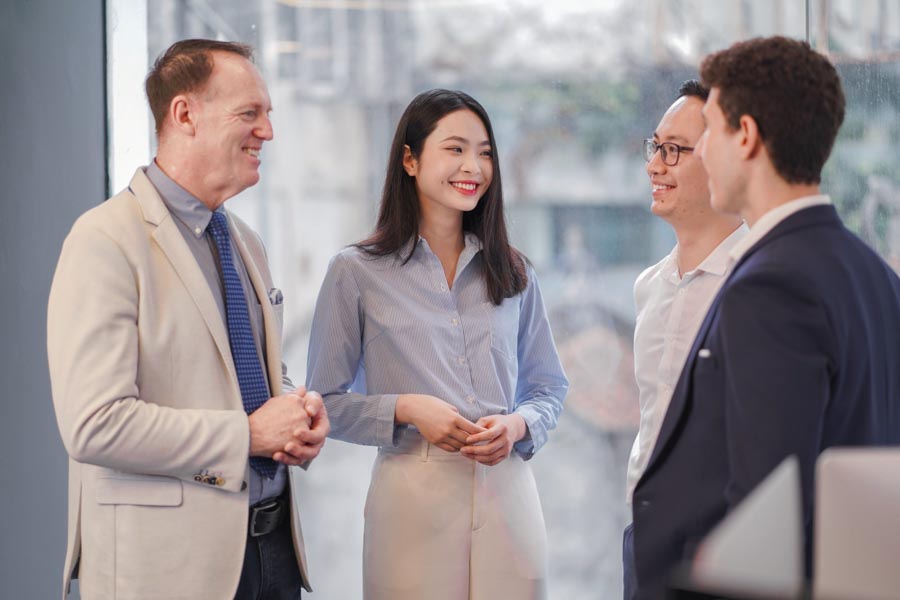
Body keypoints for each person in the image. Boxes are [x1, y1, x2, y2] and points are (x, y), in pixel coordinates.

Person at [47, 39, 328, 600]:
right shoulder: (103, 240)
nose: (267, 131)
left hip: (271, 554)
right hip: (169, 568)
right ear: (184, 114)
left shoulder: (243, 240)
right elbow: (94, 423)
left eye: (268, 114)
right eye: (250, 113)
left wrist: (294, 411)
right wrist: (249, 433)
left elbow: (250, 370)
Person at [630, 36, 900, 599]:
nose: (701, 155)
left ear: (745, 136)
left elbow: (764, 507)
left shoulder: (770, 286)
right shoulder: (875, 274)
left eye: (712, 134)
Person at [306, 89, 568, 600]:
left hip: (509, 492)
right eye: (455, 148)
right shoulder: (356, 272)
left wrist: (518, 424)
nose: (474, 165)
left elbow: (549, 387)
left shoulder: (514, 272)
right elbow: (324, 405)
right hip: (411, 494)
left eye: (485, 152)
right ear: (409, 159)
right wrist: (405, 407)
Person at [623, 79, 746, 598]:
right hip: (643, 533)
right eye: (655, 147)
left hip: (726, 541)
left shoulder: (756, 284)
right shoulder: (647, 286)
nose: (655, 165)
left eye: (675, 151)